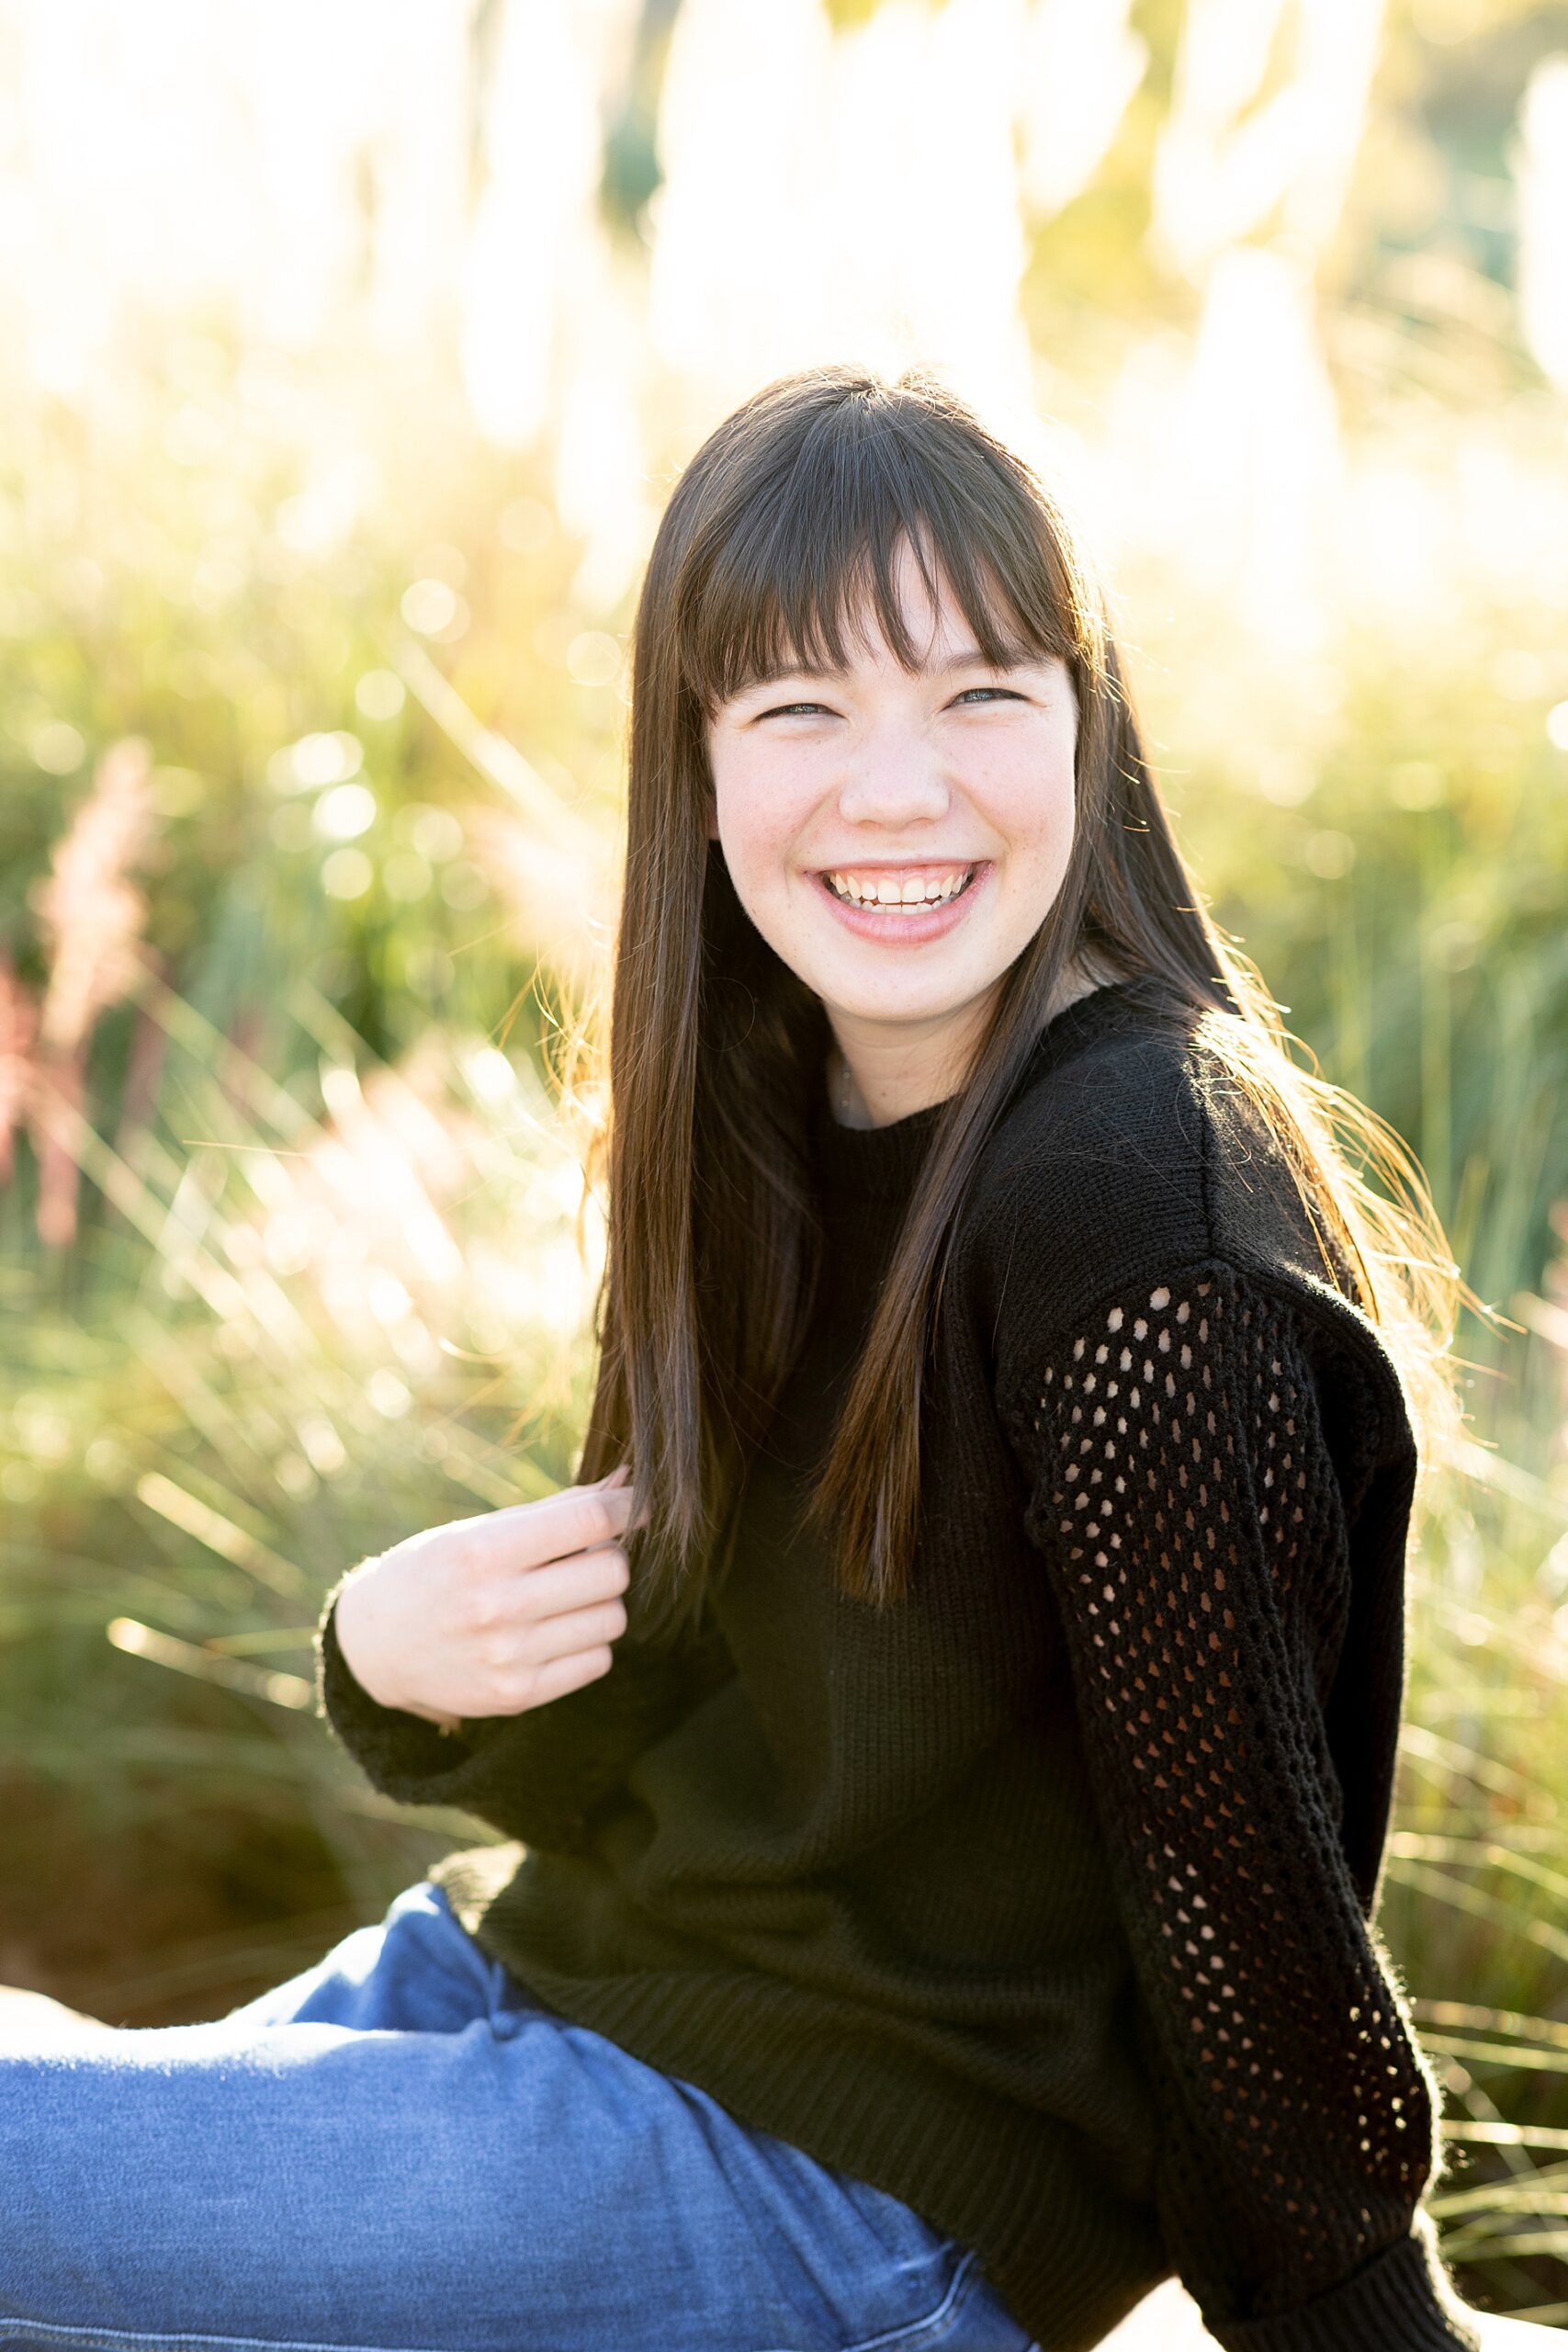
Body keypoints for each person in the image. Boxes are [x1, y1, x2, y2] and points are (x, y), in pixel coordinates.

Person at [0, 365, 1549, 2352]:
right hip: (540, 1992)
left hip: (846, 2193)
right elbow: (681, 1724)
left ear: (1088, 722)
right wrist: (389, 1666)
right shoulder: (757, 1087)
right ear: (698, 758)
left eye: (981, 691)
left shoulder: (1131, 1193)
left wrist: (1362, 2319)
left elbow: (1234, 1856)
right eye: (802, 706)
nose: (894, 787)